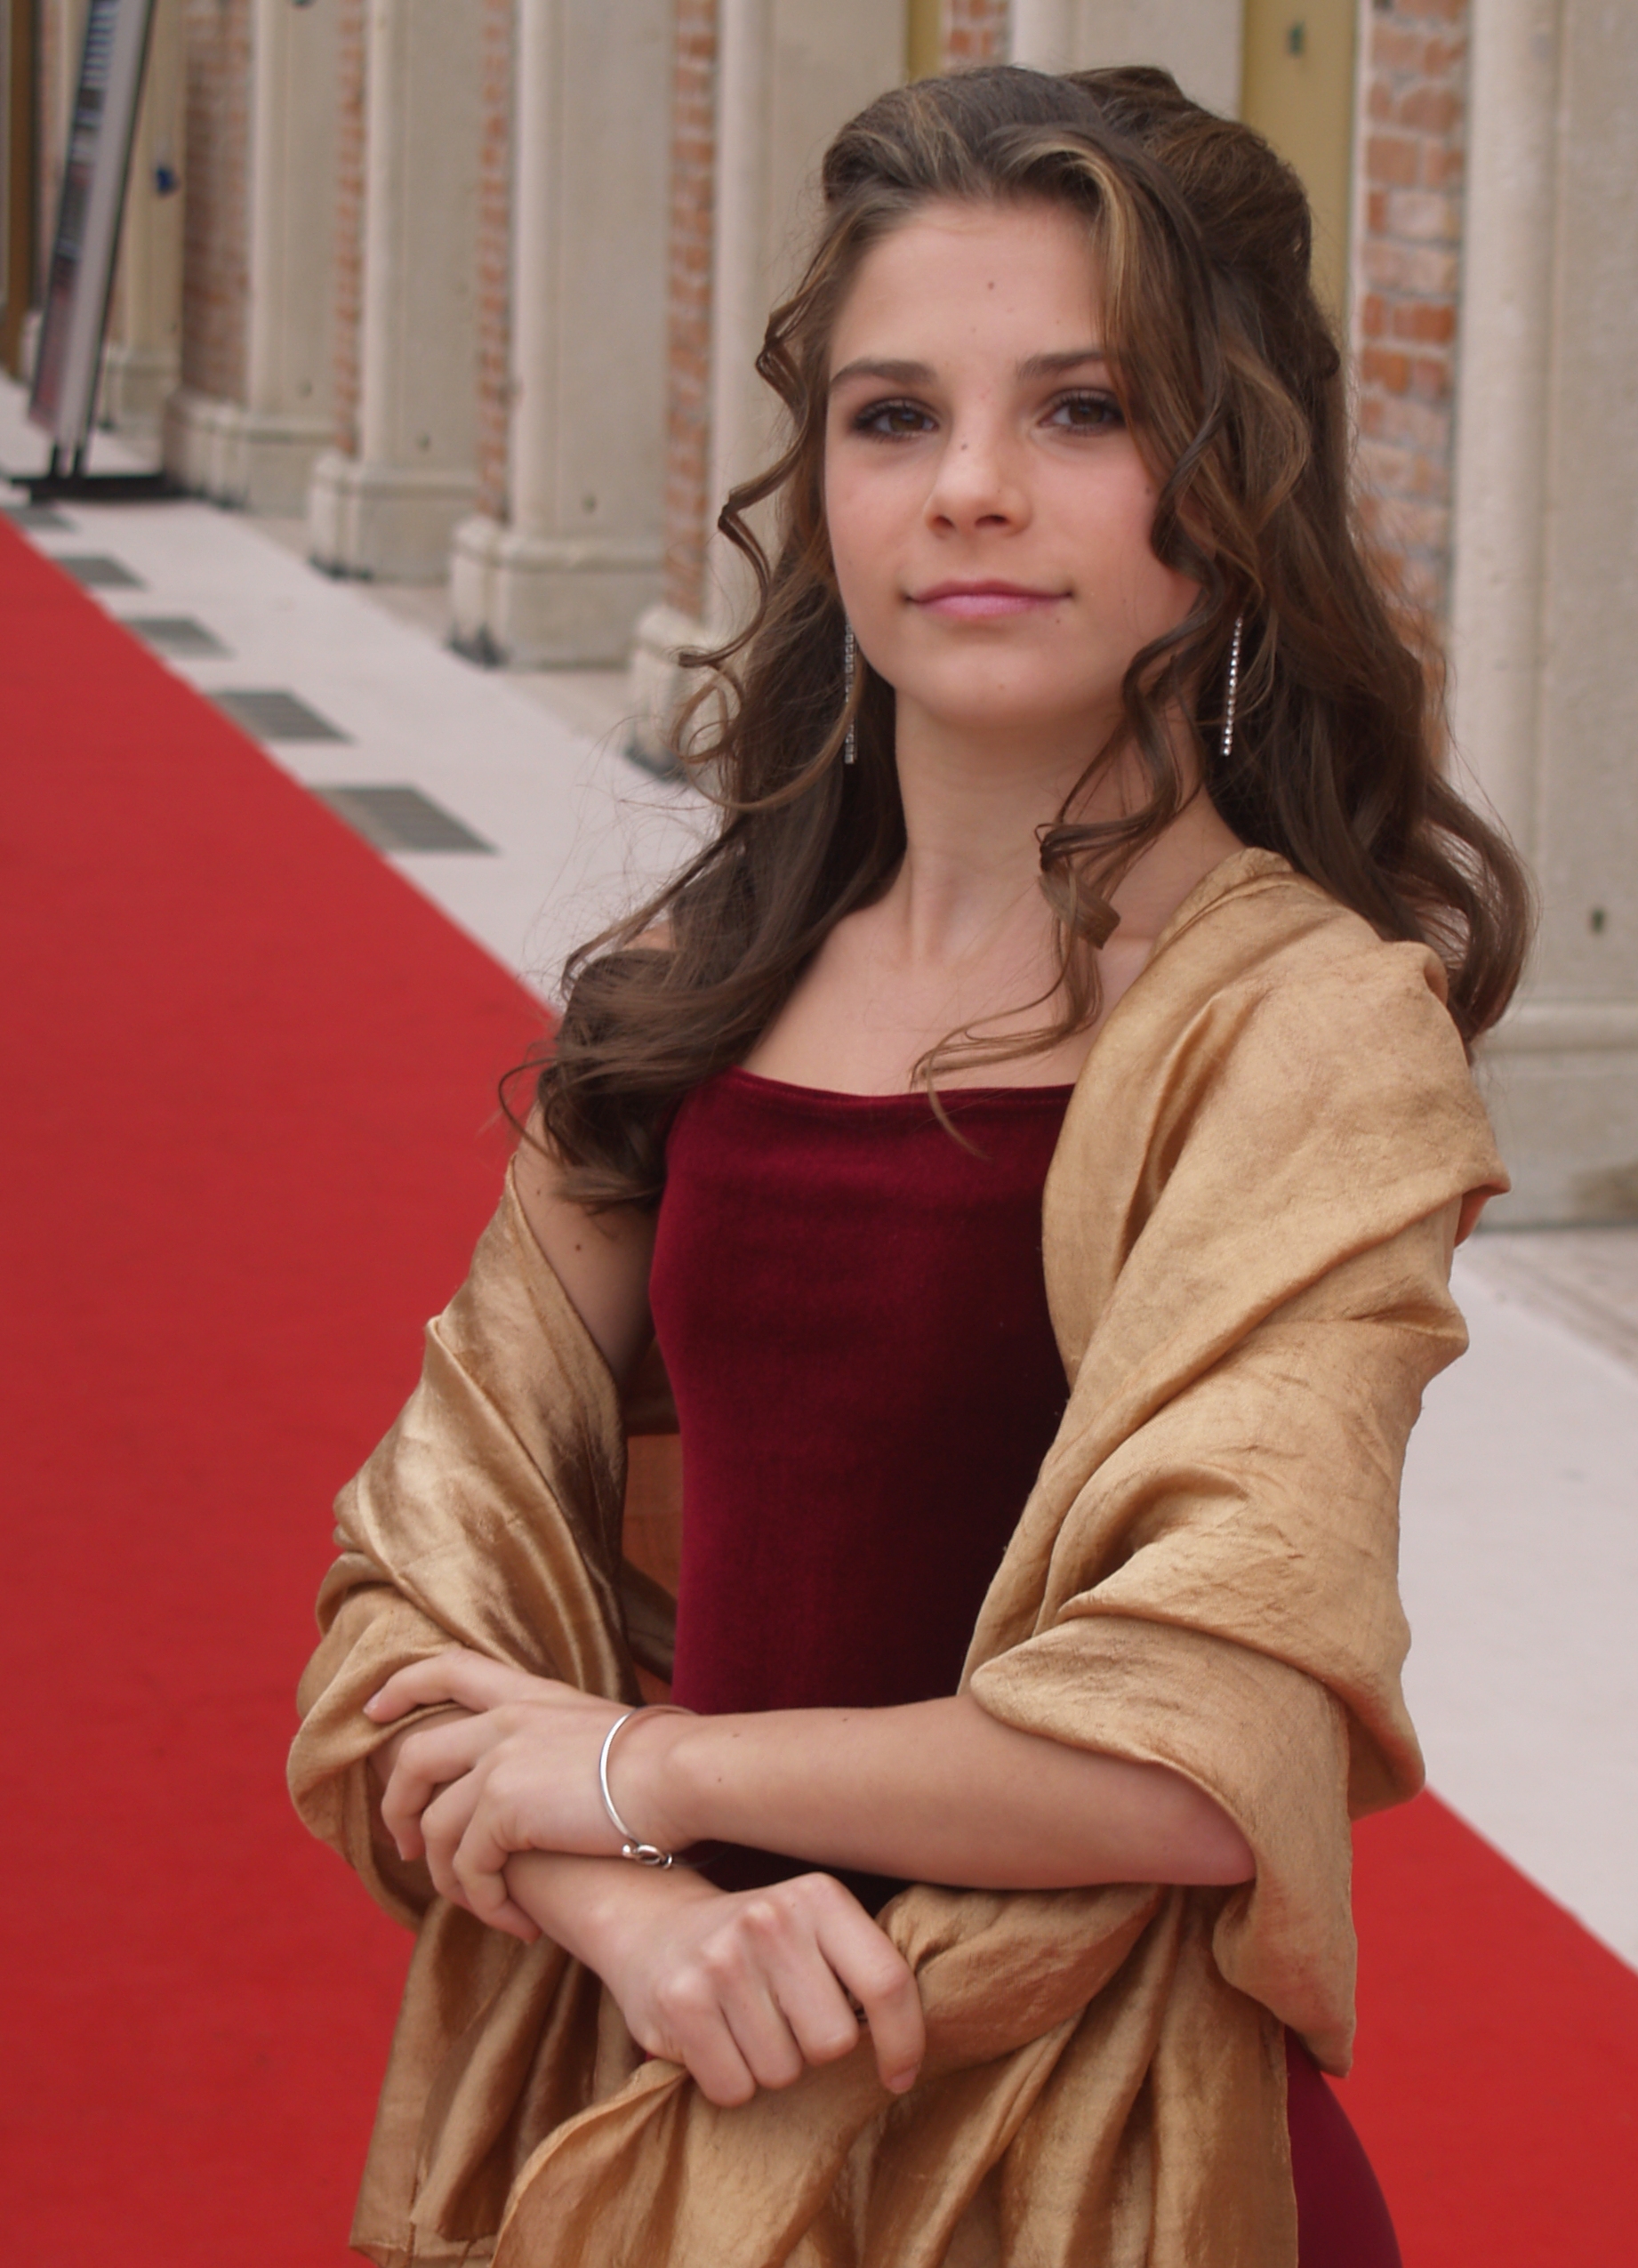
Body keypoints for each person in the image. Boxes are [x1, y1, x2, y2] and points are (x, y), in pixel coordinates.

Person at [290, 65, 1529, 2268]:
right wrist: (634, 1914)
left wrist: (653, 1775)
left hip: (1081, 2151)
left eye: (1078, 410)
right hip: (691, 2069)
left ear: (1229, 478)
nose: (970, 488)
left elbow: (1189, 1746)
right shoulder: (701, 978)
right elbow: (412, 1598)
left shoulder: (1314, 1030)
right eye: (893, 417)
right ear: (822, 484)